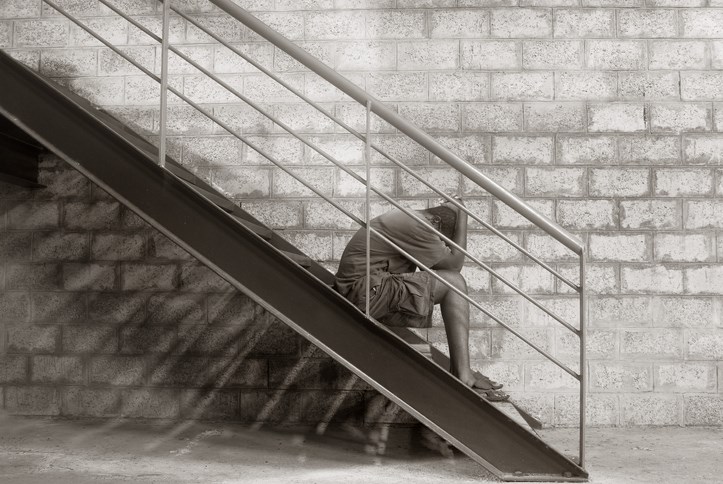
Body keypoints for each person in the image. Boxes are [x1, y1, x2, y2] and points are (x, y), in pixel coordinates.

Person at [334, 197, 508, 401]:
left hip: (366, 289)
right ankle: (463, 374)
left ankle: (460, 370)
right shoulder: (417, 224)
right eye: (443, 241)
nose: (442, 246)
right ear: (436, 223)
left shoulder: (408, 218)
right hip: (363, 292)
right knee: (454, 283)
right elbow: (453, 266)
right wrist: (463, 218)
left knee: (450, 282)